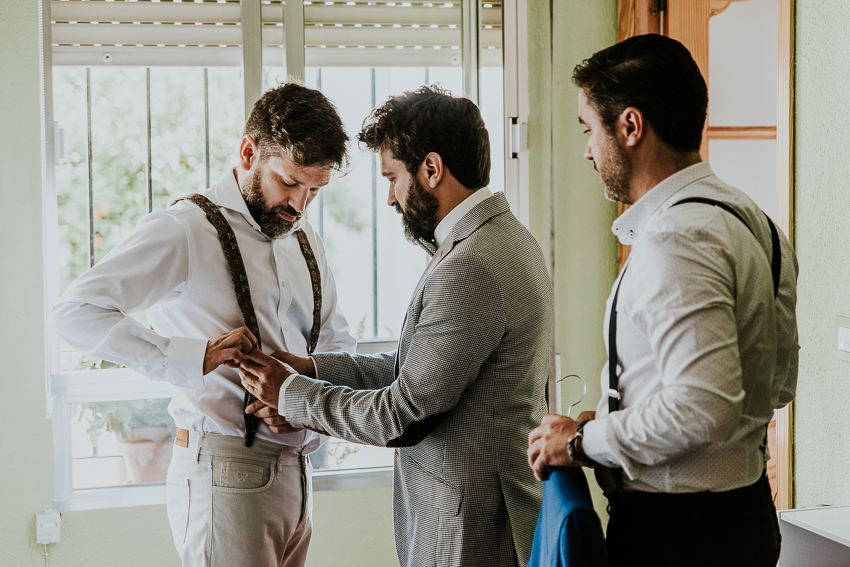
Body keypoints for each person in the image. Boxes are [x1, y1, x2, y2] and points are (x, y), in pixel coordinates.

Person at [239, 85, 553, 567]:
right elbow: (414, 368)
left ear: (431, 169)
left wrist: (292, 393)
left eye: (393, 178)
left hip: (470, 527)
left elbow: (402, 414)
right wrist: (312, 367)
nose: (389, 198)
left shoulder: (471, 264)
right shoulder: (503, 238)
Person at [52, 82, 356, 567]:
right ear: (248, 151)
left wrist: (304, 405)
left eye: (315, 190)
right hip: (224, 470)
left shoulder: (304, 238)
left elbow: (340, 343)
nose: (300, 205)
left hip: (299, 473)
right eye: (289, 182)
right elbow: (75, 312)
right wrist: (195, 355)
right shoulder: (186, 229)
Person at [527, 34, 799, 567]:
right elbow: (777, 381)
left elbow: (704, 408)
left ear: (630, 126)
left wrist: (582, 443)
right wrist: (613, 415)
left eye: (589, 128)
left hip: (680, 538)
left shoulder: (678, 238)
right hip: (742, 520)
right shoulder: (755, 223)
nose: (587, 149)